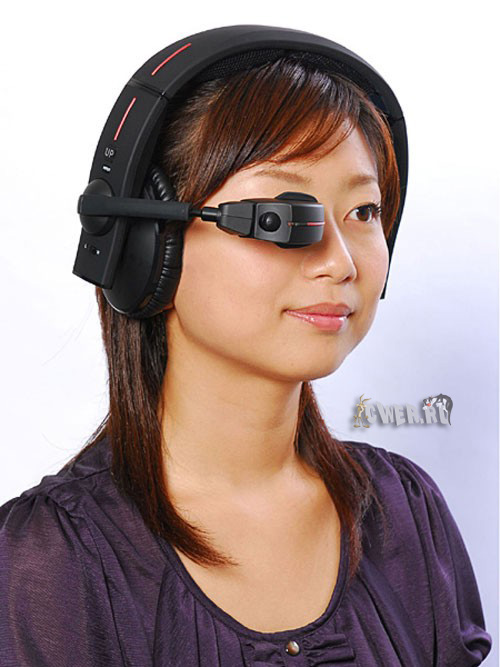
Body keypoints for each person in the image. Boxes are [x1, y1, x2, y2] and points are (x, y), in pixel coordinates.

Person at [0, 48, 492, 667]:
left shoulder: (406, 514)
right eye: (281, 216)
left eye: (363, 212)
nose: (340, 262)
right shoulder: (49, 562)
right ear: (150, 246)